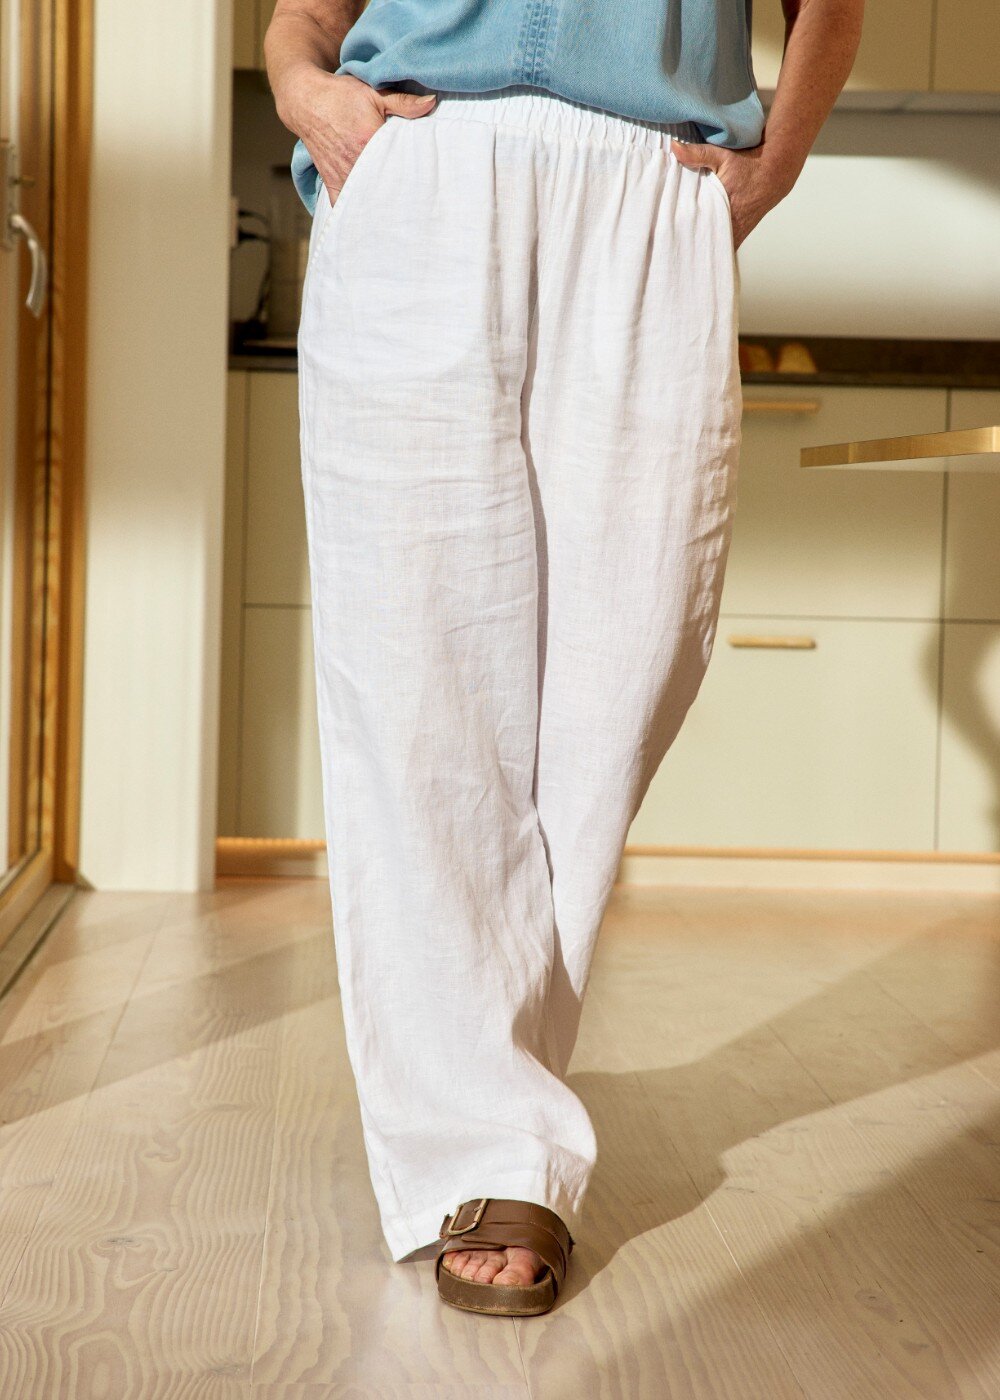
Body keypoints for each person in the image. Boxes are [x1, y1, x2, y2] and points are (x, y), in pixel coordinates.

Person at [264, 0, 864, 1317]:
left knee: (627, 667)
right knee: (416, 687)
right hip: (423, 175)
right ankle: (493, 1148)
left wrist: (776, 162)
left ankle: (495, 1095)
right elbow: (304, 16)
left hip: (648, 189)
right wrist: (304, 86)